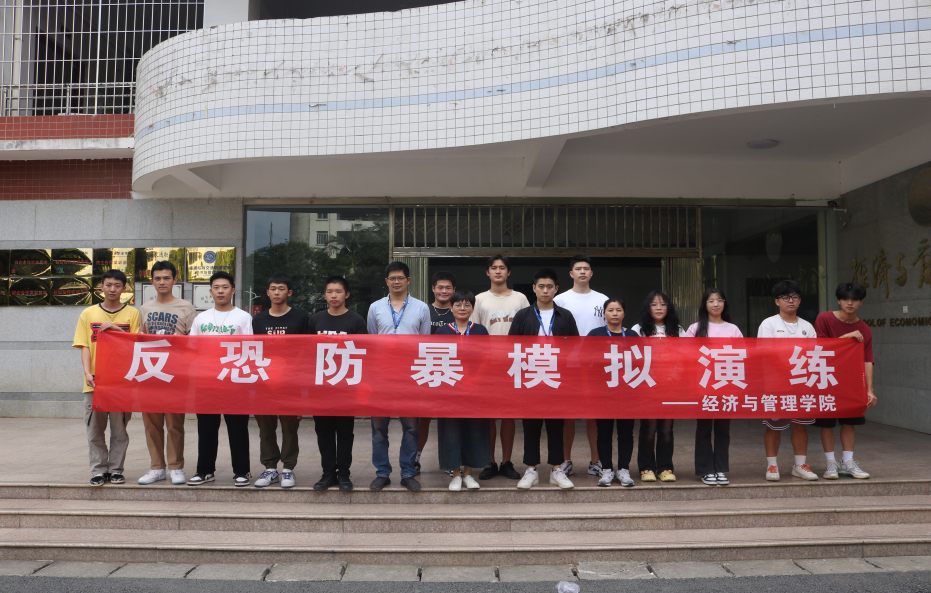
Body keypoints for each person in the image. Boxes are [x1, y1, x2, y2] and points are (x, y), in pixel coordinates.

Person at [508, 268, 579, 490]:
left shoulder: (565, 316)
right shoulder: (523, 316)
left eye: (549, 286)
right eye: (541, 286)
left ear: (556, 289)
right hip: (531, 377)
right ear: (534, 289)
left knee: (556, 424)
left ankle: (557, 469)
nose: (545, 290)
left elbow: (575, 346)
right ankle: (531, 469)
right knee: (531, 424)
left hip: (557, 378)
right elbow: (512, 346)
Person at [366, 261, 431, 491]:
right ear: (386, 281)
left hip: (410, 376)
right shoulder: (375, 308)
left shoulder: (422, 308)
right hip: (381, 376)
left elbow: (425, 343)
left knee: (411, 427)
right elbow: (372, 340)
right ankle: (382, 472)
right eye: (392, 278)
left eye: (400, 278)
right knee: (378, 428)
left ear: (408, 280)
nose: (396, 282)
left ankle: (408, 472)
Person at [72, 270, 140, 486]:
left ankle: (116, 470)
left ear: (124, 288)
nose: (112, 289)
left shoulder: (132, 314)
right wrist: (87, 372)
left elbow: (137, 345)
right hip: (95, 383)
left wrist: (117, 330)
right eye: (108, 284)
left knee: (120, 431)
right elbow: (84, 346)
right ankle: (98, 471)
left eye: (117, 285)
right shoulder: (88, 313)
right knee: (95, 431)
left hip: (122, 383)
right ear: (101, 287)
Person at [187, 271, 255, 487]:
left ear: (233, 290)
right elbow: (192, 348)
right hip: (207, 381)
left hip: (235, 380)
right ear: (210, 291)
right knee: (206, 428)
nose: (220, 291)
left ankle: (242, 471)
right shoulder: (201, 318)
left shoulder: (243, 317)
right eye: (216, 287)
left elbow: (250, 348)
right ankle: (205, 471)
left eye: (225, 287)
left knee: (238, 427)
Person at [137, 261, 197, 486]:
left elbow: (195, 342)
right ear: (152, 281)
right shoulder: (145, 308)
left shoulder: (186, 307)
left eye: (166, 278)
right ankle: (156, 468)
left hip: (175, 374)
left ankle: (175, 467)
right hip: (150, 373)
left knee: (174, 424)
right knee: (151, 424)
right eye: (158, 278)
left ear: (174, 280)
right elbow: (139, 340)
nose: (162, 282)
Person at [471, 255, 529, 481]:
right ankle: (490, 461)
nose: (498, 271)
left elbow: (527, 331)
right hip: (488, 365)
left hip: (514, 364)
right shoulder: (479, 299)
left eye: (502, 267)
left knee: (509, 415)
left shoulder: (520, 298)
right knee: (488, 416)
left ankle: (506, 461)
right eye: (493, 268)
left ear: (508, 272)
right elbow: (474, 333)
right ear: (487, 272)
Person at [308, 276, 368, 491]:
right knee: (323, 432)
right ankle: (327, 473)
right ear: (325, 294)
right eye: (330, 291)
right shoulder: (316, 320)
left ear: (347, 294)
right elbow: (307, 353)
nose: (334, 295)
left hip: (346, 388)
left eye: (338, 291)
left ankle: (343, 474)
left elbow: (363, 354)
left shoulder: (356, 321)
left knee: (344, 433)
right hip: (321, 388)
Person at [251, 274, 309, 489]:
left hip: (291, 383)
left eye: (281, 288)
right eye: (273, 288)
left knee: (289, 428)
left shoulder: (301, 318)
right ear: (267, 292)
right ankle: (269, 468)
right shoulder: (258, 320)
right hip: (264, 382)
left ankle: (288, 469)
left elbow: (307, 351)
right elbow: (253, 351)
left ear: (289, 292)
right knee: (265, 428)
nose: (277, 292)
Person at [814, 282, 877, 480]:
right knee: (827, 423)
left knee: (850, 422)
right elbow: (821, 347)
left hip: (851, 382)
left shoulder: (864, 328)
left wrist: (869, 390)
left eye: (854, 300)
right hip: (826, 378)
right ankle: (830, 464)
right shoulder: (824, 318)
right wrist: (848, 337)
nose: (850, 303)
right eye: (845, 299)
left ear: (861, 302)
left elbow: (868, 360)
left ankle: (848, 463)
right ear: (839, 301)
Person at [757, 279, 818, 482]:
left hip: (801, 383)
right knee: (774, 425)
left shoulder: (807, 326)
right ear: (777, 301)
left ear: (800, 300)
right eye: (785, 297)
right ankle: (772, 465)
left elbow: (812, 355)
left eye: (794, 297)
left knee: (800, 424)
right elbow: (765, 354)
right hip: (776, 384)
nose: (790, 300)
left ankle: (799, 465)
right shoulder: (769, 324)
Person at [554, 255, 607, 478]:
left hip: (596, 365)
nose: (582, 272)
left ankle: (596, 460)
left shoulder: (603, 300)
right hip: (568, 364)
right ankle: (566, 460)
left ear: (592, 273)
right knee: (568, 414)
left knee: (594, 414)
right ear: (571, 273)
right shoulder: (560, 300)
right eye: (578, 268)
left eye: (586, 268)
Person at [686, 288, 743, 486]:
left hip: (726, 385)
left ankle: (720, 468)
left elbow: (743, 356)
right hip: (703, 385)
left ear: (724, 303)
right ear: (705, 305)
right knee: (703, 428)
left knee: (723, 429)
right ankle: (705, 469)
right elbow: (685, 355)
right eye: (711, 301)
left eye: (719, 300)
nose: (716, 304)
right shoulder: (695, 328)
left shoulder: (733, 329)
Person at [435, 289, 491, 490]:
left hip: (475, 390)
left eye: (467, 304)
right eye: (458, 304)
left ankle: (468, 474)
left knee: (474, 430)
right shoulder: (442, 332)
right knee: (450, 431)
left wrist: (474, 380)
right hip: (449, 390)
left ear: (472, 309)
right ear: (451, 308)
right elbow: (437, 360)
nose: (462, 308)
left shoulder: (480, 331)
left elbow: (486, 359)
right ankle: (455, 474)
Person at [630, 290, 685, 483]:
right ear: (648, 308)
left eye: (663, 304)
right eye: (654, 304)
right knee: (649, 427)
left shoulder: (677, 329)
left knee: (666, 429)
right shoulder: (638, 329)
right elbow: (633, 358)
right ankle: (646, 467)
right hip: (647, 386)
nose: (659, 308)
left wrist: (673, 377)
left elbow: (684, 357)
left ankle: (665, 468)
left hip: (670, 386)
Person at [589, 298, 638, 487]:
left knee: (626, 432)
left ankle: (624, 469)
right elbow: (586, 360)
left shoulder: (632, 335)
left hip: (627, 391)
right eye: (610, 310)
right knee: (604, 432)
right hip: (603, 392)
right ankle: (607, 470)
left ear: (624, 313)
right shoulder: (595, 334)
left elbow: (641, 361)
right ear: (604, 314)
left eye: (618, 310)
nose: (615, 313)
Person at [416, 271, 458, 474]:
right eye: (440, 287)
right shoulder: (423, 311)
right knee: (422, 419)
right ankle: (415, 458)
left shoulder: (458, 311)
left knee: (449, 420)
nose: (444, 291)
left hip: (451, 373)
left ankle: (451, 462)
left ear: (454, 290)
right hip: (426, 372)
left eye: (448, 287)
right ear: (433, 289)